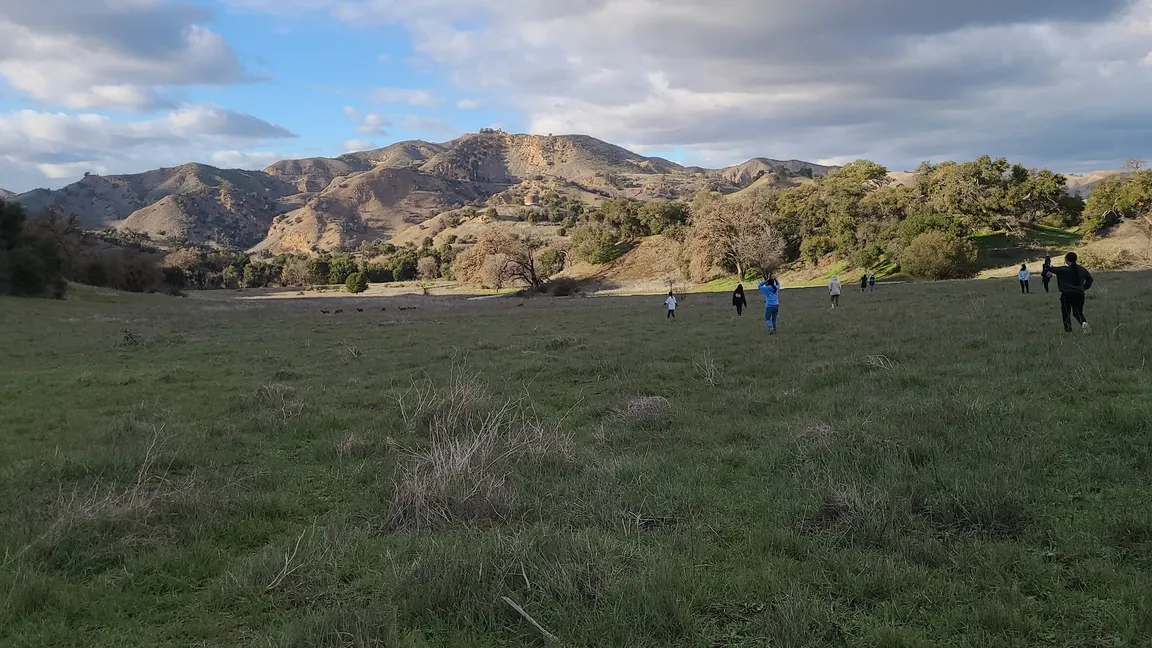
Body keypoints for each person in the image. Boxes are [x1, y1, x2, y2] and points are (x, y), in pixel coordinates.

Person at [1047, 252, 1094, 334]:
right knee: (1077, 313)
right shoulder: (1082, 269)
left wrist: (1047, 260)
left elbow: (1050, 268)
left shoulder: (1063, 270)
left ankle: (1068, 331)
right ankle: (1084, 324)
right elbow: (1090, 279)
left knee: (1066, 313)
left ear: (1066, 259)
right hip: (1080, 294)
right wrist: (1084, 288)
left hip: (1067, 295)